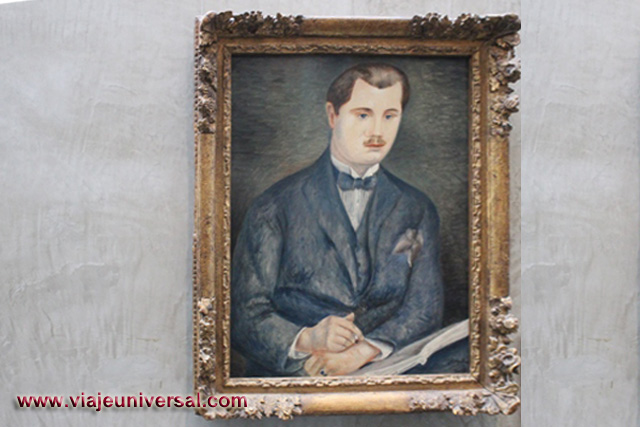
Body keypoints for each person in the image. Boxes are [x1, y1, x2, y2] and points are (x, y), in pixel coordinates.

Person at [231, 63, 444, 377]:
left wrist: (364, 351)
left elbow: (424, 308)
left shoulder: (417, 208)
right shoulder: (273, 205)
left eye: (389, 116)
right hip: (290, 382)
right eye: (363, 115)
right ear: (333, 115)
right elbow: (242, 315)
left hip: (388, 378)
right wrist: (308, 339)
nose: (377, 132)